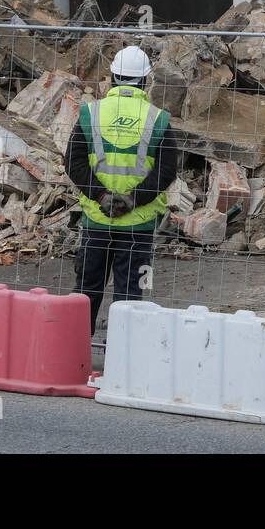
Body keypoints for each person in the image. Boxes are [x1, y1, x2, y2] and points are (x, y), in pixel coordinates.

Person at [65, 45, 177, 334]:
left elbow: (73, 161)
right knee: (130, 297)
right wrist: (133, 199)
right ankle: (124, 361)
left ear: (113, 76)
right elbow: (166, 171)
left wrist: (101, 195)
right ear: (145, 80)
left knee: (86, 291)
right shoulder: (158, 119)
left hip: (96, 222)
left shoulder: (91, 113)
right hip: (138, 225)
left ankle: (76, 357)